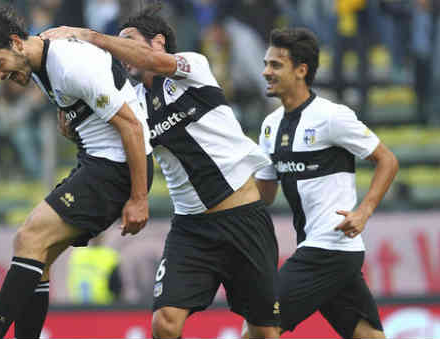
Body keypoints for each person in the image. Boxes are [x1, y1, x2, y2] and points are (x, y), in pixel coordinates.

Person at [41, 4, 281, 338]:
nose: (122, 51)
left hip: (243, 216)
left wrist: (91, 36)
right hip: (192, 228)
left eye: (129, 40)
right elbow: (97, 134)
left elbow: (150, 62)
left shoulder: (192, 66)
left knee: (264, 332)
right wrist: (69, 115)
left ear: (158, 42)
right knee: (164, 323)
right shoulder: (132, 103)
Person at [0, 6, 153, 338]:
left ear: (15, 43)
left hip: (117, 167)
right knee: (40, 258)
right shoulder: (38, 57)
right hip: (97, 162)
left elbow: (132, 127)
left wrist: (139, 198)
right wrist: (68, 115)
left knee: (28, 237)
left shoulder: (68, 64)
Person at [250, 27, 398, 338]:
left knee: (262, 324)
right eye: (266, 64)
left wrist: (364, 211)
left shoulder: (332, 117)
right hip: (322, 249)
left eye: (275, 65)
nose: (266, 72)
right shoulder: (269, 126)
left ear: (301, 70)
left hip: (329, 247)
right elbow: (263, 194)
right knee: (368, 336)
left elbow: (387, 160)